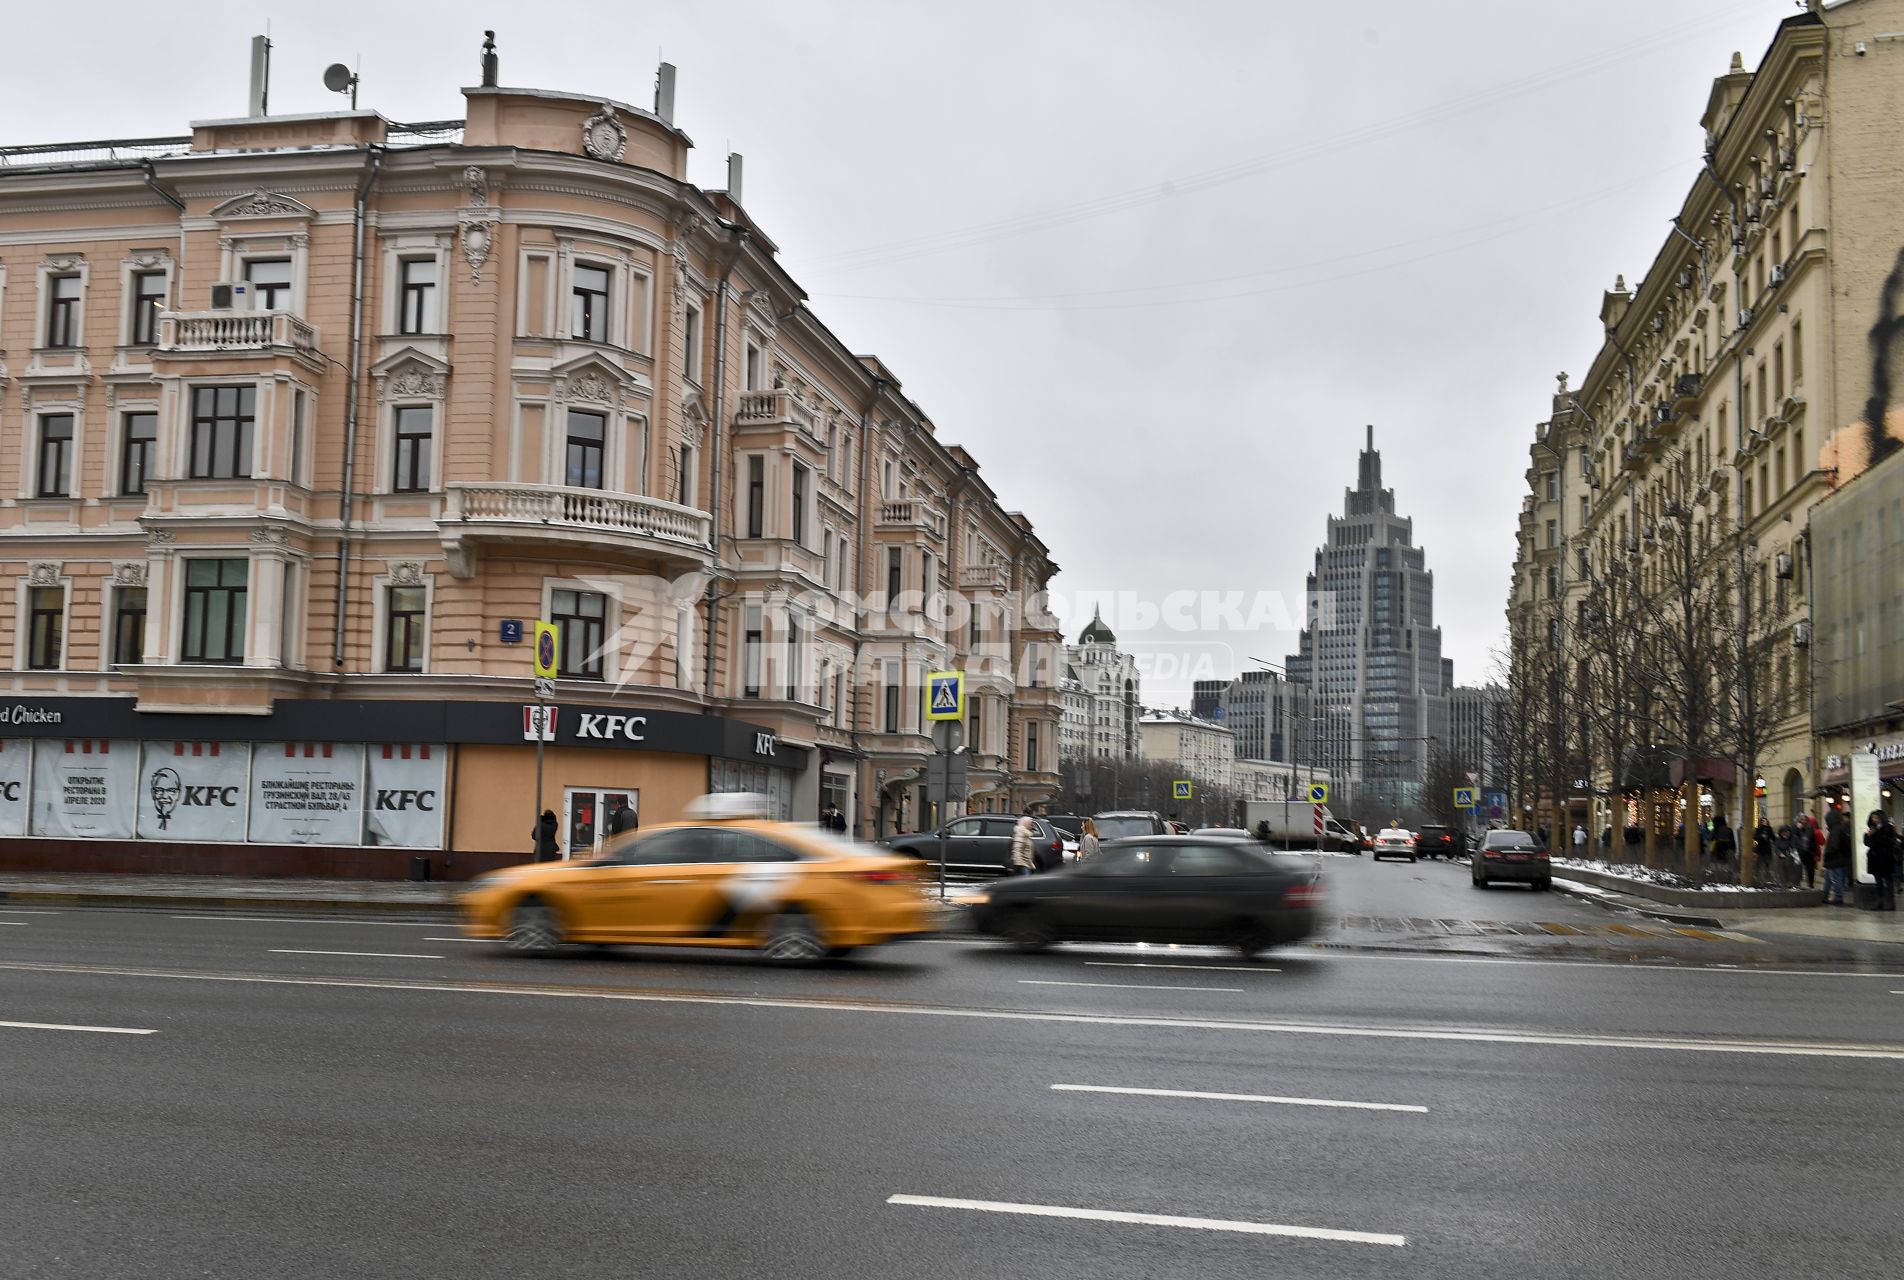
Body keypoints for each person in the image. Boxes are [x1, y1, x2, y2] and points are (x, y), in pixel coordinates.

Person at [1863, 810, 1898, 911]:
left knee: (1888, 881)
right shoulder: (1871, 829)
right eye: (1873, 818)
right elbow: (1867, 843)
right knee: (1878, 882)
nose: (1874, 820)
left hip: (1885, 859)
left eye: (1876, 818)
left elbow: (1889, 842)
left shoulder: (1888, 828)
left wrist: (1875, 836)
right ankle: (1879, 902)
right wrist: (1868, 836)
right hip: (1875, 859)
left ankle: (1890, 903)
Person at [1823, 807, 1853, 905]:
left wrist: (1828, 853)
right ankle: (1825, 896)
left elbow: (1834, 845)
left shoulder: (1836, 830)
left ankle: (1838, 898)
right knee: (1830, 879)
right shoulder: (1841, 828)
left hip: (1835, 859)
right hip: (1838, 859)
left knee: (1836, 879)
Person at [1008, 810, 1038, 876]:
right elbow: (1017, 848)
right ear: (1026, 824)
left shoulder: (1026, 834)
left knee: (1021, 883)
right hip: (1022, 864)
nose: (1032, 826)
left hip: (1025, 864)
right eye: (1030, 824)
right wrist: (1019, 864)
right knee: (1025, 883)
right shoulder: (1021, 833)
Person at [1753, 818, 1776, 883]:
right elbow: (1755, 837)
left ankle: (1767, 878)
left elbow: (1773, 837)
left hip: (1767, 848)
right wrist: (1761, 836)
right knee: (1759, 863)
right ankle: (1758, 877)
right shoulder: (1759, 828)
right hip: (1760, 848)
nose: (1765, 822)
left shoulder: (1769, 829)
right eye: (1763, 821)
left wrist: (1772, 839)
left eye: (1766, 821)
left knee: (1767, 863)